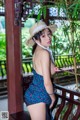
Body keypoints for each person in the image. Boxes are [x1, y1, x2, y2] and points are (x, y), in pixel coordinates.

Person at [24, 20, 59, 120]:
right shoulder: (44, 53)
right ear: (35, 39)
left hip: (36, 93)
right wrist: (53, 97)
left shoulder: (38, 51)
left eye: (49, 34)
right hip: (37, 97)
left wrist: (53, 69)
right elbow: (47, 82)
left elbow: (47, 71)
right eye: (43, 36)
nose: (48, 38)